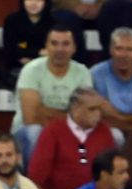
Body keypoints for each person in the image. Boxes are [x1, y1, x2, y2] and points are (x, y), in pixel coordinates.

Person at [11, 25, 92, 166]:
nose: (60, 49)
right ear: (46, 47)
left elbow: (83, 117)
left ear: (74, 48)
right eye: (54, 43)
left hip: (68, 132)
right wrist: (70, 115)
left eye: (65, 44)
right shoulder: (31, 70)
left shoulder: (82, 72)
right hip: (26, 134)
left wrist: (44, 110)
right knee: (35, 131)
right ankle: (33, 184)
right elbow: (31, 118)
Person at [27, 87, 115, 189]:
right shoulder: (53, 130)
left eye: (100, 109)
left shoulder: (104, 131)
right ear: (75, 108)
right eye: (92, 109)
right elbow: (38, 172)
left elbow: (112, 169)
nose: (98, 114)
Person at [90, 27, 132, 136]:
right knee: (115, 134)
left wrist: (119, 116)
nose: (124, 55)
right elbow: (101, 117)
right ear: (111, 50)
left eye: (130, 49)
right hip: (111, 130)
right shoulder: (96, 73)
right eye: (119, 48)